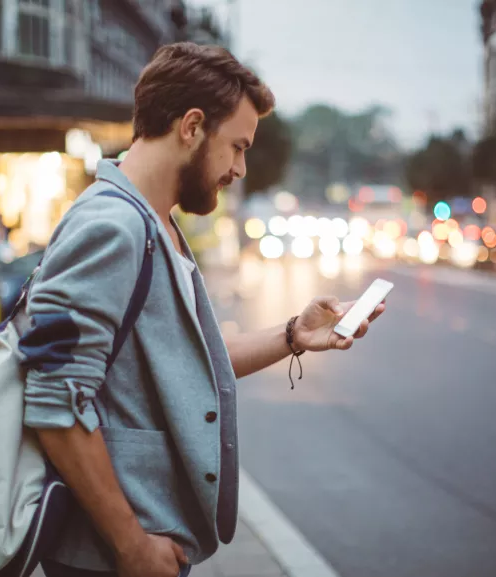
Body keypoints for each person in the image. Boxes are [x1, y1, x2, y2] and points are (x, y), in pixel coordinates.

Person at [23, 42, 385, 577]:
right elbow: (55, 398)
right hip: (108, 556)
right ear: (191, 126)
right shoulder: (111, 225)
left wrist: (293, 333)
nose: (240, 168)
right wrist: (130, 546)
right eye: (237, 146)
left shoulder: (154, 223)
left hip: (141, 545)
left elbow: (186, 365)